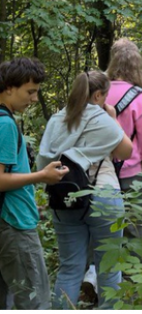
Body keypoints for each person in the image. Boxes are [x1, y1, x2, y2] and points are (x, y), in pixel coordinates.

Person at [37, 70, 133, 309]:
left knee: (69, 268)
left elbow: (42, 163)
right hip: (104, 196)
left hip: (65, 197)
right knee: (108, 267)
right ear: (99, 95)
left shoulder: (57, 119)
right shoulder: (101, 119)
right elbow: (126, 151)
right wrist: (112, 117)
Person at [0, 58, 69, 310]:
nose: (33, 99)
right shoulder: (5, 124)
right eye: (30, 92)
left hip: (7, 221)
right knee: (34, 302)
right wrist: (42, 176)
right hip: (14, 224)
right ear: (8, 87)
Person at [105, 38, 142, 234]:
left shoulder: (99, 92)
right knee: (134, 231)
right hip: (131, 173)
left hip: (101, 170)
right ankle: (133, 264)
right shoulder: (140, 98)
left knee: (107, 231)